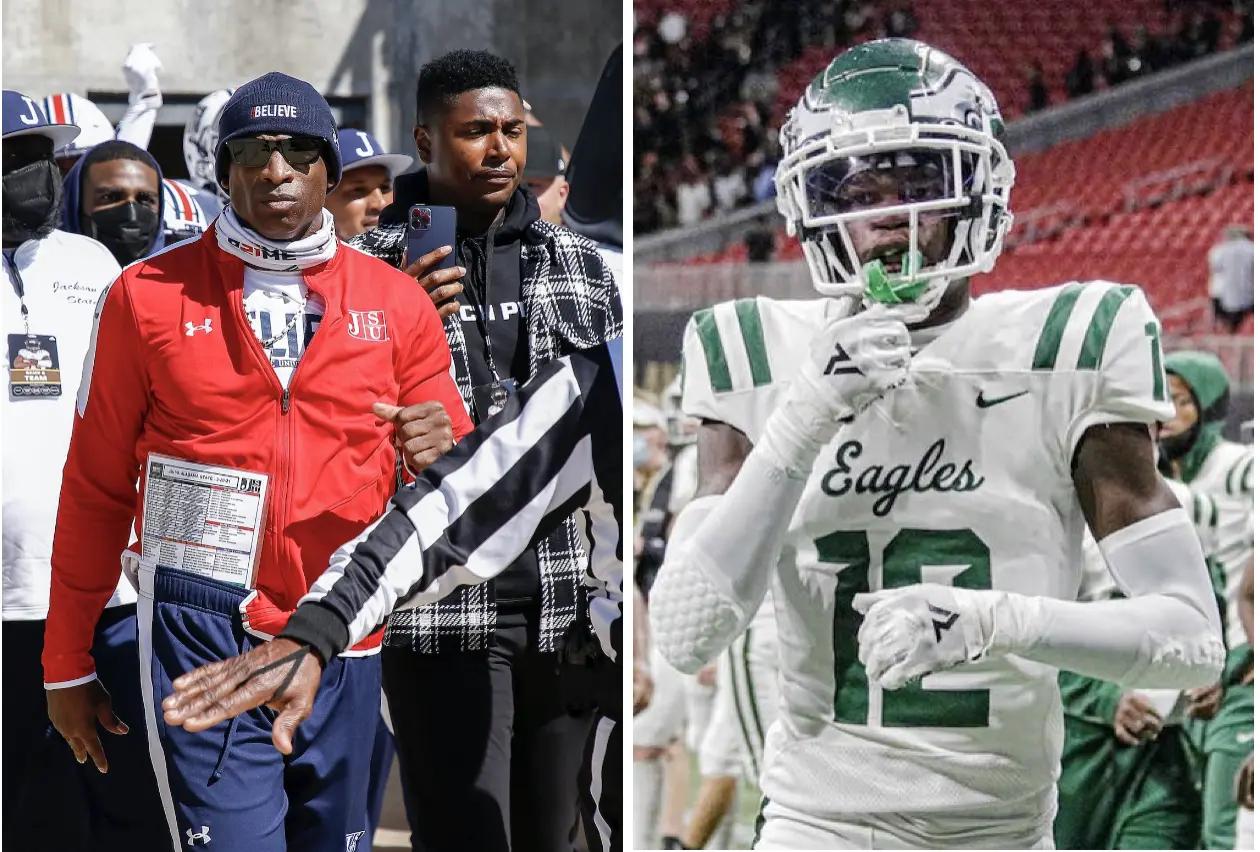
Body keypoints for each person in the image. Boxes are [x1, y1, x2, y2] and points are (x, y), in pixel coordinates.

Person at [650, 38, 1224, 849]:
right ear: (810, 205)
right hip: (816, 824)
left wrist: (991, 621)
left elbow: (1192, 642)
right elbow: (685, 632)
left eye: (920, 179)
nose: (890, 214)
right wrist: (804, 415)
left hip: (1001, 830)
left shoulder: (1069, 341)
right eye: (854, 186)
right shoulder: (758, 348)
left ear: (980, 192)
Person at [41, 71, 472, 852]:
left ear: (328, 171)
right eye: (254, 152)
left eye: (299, 151)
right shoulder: (143, 296)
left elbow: (460, 476)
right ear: (223, 169)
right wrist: (66, 663)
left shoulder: (398, 302)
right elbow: (96, 489)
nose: (276, 171)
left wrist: (440, 451)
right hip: (200, 631)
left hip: (346, 625)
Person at [160, 338, 625, 852]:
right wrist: (317, 630)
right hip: (434, 633)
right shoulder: (597, 381)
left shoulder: (598, 304)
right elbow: (445, 510)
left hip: (568, 645)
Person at [349, 48, 621, 852]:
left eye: (512, 129)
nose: (501, 148)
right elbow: (334, 431)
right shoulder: (363, 278)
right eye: (475, 132)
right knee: (465, 836)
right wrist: (400, 328)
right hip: (439, 606)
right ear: (426, 141)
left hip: (563, 603)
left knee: (556, 837)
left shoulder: (582, 267)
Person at [3, 89, 167, 850]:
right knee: (30, 811)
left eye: (37, 156)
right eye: (10, 157)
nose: (28, 173)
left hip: (110, 590)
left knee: (127, 798)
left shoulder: (92, 261)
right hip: (7, 600)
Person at [1157, 351, 1254, 849]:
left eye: (1180, 401)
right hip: (1195, 676)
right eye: (1159, 399)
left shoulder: (1239, 467)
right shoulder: (1160, 480)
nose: (1165, 413)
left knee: (1226, 835)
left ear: (1210, 405)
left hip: (1242, 675)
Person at [60, 139, 166, 266]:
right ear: (74, 203)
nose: (131, 215)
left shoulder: (180, 282)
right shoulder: (39, 277)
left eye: (145, 199)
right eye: (111, 197)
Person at [325, 128, 413, 240]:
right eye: (358, 190)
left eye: (385, 188)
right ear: (321, 201)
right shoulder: (306, 256)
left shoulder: (413, 252)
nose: (380, 204)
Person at [1208, 226, 1253, 333]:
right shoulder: (1252, 249)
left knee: (1231, 327)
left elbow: (1215, 266)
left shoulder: (1220, 250)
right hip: (1248, 294)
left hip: (1228, 296)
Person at [521, 124, 568, 225]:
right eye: (514, 187)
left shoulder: (578, 241)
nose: (519, 196)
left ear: (562, 194)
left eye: (532, 185)